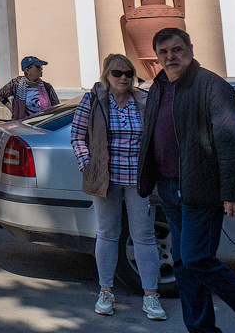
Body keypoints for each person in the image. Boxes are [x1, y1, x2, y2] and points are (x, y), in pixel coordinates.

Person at [138, 28, 235, 333]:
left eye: (177, 49)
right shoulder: (157, 88)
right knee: (182, 263)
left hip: (200, 188)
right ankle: (201, 328)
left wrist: (233, 193)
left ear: (190, 49)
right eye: (164, 52)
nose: (171, 56)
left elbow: (232, 141)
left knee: (197, 259)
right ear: (157, 57)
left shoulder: (212, 86)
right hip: (168, 187)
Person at [70, 53, 165, 320]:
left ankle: (151, 295)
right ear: (106, 76)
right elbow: (77, 135)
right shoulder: (94, 99)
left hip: (139, 179)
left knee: (143, 235)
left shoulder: (143, 100)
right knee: (107, 233)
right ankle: (105, 291)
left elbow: (157, 137)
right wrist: (86, 164)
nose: (123, 78)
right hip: (106, 178)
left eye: (128, 73)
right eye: (117, 73)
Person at [0, 56, 59, 120]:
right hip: (23, 124)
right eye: (38, 67)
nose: (41, 69)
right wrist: (13, 110)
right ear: (27, 70)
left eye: (41, 66)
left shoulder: (47, 87)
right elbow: (1, 95)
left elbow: (57, 107)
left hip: (43, 123)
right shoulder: (16, 84)